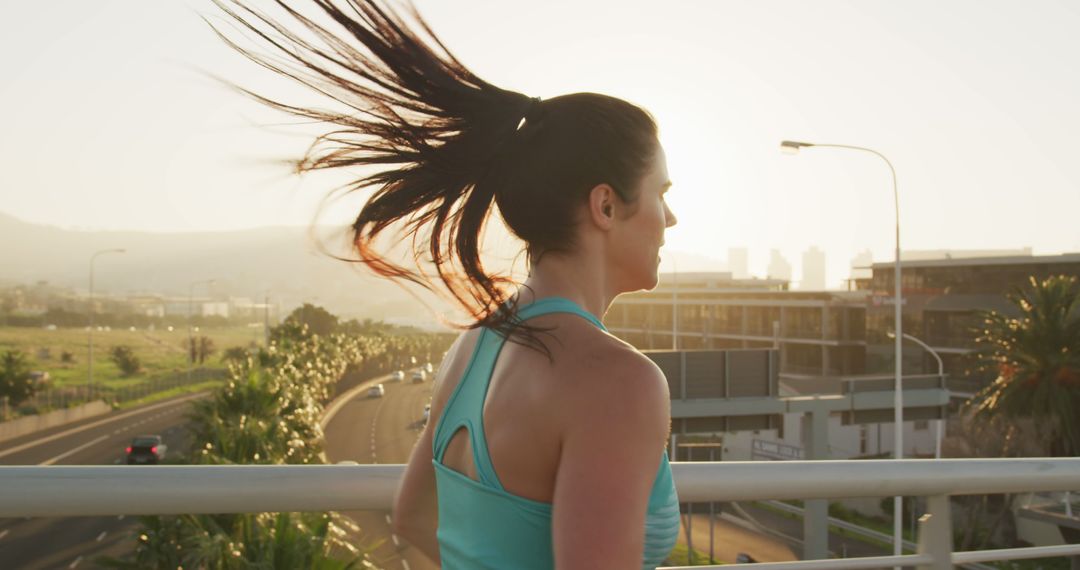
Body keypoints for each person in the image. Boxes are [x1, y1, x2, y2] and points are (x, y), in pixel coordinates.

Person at [213, 1, 679, 567]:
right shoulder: (618, 383)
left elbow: (413, 515)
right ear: (605, 205)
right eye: (662, 193)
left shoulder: (475, 346)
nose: (671, 219)